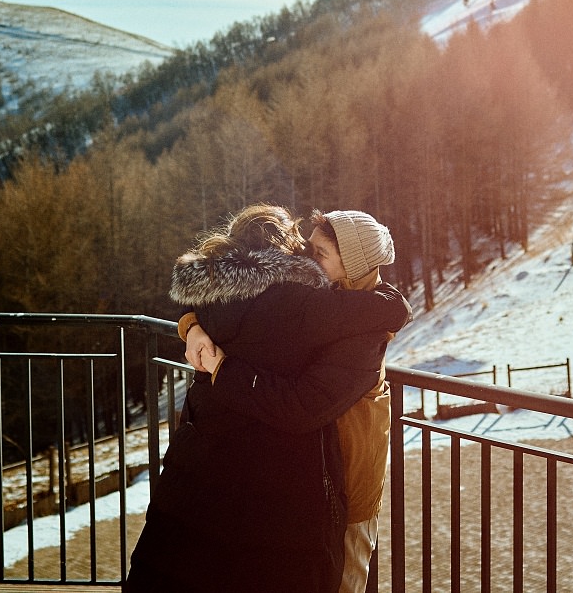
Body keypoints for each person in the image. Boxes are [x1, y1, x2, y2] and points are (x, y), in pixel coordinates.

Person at [126, 204, 410, 593]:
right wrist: (191, 326)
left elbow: (302, 403)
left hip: (346, 485)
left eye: (319, 254)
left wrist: (212, 354)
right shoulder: (305, 304)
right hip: (303, 482)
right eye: (307, 248)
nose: (306, 258)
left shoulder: (357, 325)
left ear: (354, 265)